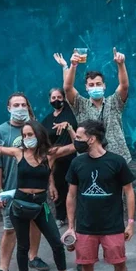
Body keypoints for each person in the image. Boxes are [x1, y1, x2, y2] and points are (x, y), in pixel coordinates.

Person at [0, 121, 81, 271]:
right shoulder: (18, 152)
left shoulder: (49, 154)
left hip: (41, 205)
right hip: (20, 205)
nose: (27, 138)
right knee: (23, 246)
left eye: (31, 134)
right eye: (24, 135)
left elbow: (77, 145)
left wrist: (69, 128)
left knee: (57, 243)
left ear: (39, 135)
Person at [63, 120, 136, 271]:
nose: (76, 140)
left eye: (79, 137)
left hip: (113, 226)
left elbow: (129, 192)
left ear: (91, 139)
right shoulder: (77, 163)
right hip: (85, 227)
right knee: (86, 266)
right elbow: (71, 196)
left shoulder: (116, 162)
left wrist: (130, 222)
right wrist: (71, 227)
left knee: (120, 264)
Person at [0, 93, 47, 271]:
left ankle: (33, 256)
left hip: (35, 190)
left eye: (23, 104)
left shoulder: (36, 129)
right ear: (9, 108)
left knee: (35, 224)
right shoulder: (0, 131)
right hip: (11, 190)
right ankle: (3, 268)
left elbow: (46, 157)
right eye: (16, 105)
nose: (20, 108)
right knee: (9, 229)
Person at [57, 46, 131, 162]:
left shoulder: (114, 102)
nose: (95, 87)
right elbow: (67, 88)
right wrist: (73, 66)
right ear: (86, 87)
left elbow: (124, 86)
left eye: (98, 84)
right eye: (91, 85)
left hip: (117, 156)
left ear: (104, 86)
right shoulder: (80, 104)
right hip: (89, 159)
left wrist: (121, 64)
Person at [47, 87, 79, 225]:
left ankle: (77, 218)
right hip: (56, 162)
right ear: (49, 100)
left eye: (59, 97)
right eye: (53, 98)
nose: (56, 100)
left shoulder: (72, 114)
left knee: (75, 189)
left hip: (73, 158)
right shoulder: (47, 120)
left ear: (64, 98)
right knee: (59, 189)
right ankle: (60, 217)